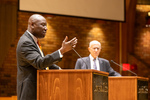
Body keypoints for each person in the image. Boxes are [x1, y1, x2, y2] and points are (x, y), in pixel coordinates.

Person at [16, 14, 77, 100]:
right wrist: (62, 51)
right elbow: (39, 63)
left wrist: (62, 72)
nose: (46, 28)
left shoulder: (33, 41)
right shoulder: (26, 42)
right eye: (43, 25)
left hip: (39, 89)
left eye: (46, 25)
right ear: (32, 25)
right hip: (29, 91)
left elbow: (45, 64)